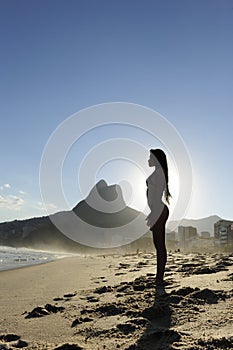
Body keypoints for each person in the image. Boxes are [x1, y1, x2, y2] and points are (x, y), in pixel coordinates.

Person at [146, 149, 171, 283]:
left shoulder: (159, 174)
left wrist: (154, 212)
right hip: (158, 210)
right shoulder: (157, 173)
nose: (148, 160)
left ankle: (159, 278)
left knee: (160, 245)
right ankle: (159, 276)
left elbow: (155, 196)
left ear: (156, 158)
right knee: (158, 245)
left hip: (159, 210)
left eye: (150, 157)